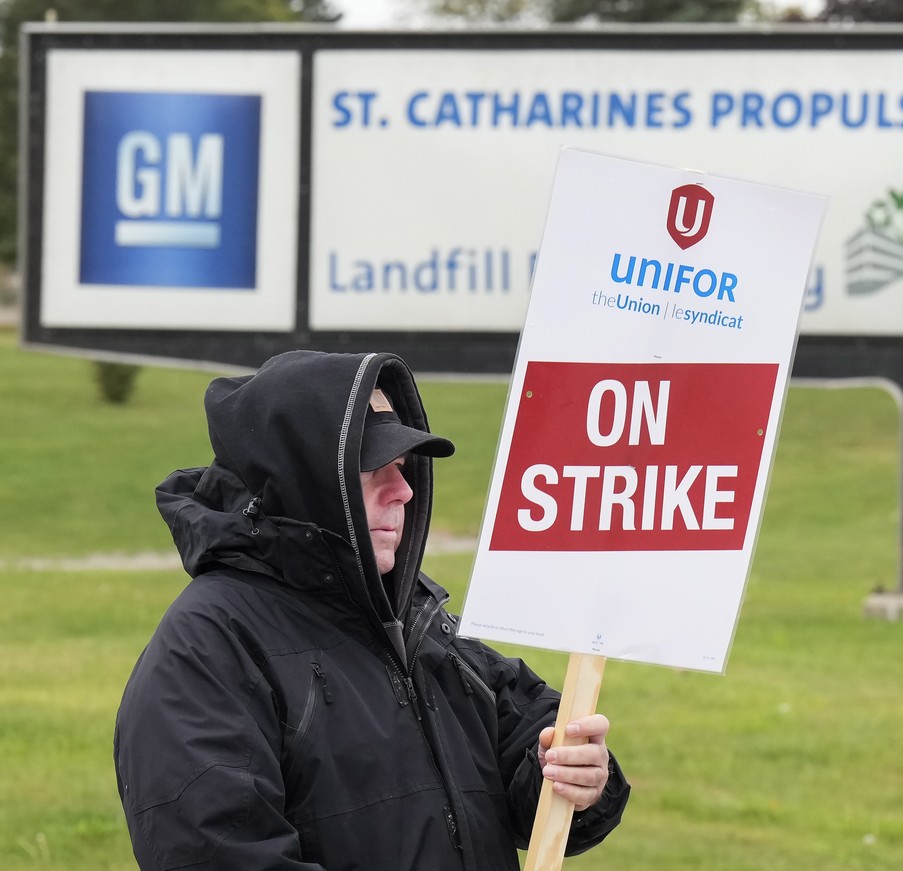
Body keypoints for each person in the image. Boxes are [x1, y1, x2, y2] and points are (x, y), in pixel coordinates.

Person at [114, 350, 629, 870]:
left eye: (403, 468)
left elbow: (531, 732)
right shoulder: (206, 649)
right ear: (301, 480)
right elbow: (218, 856)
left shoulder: (414, 619)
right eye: (373, 469)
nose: (403, 490)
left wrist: (570, 773)